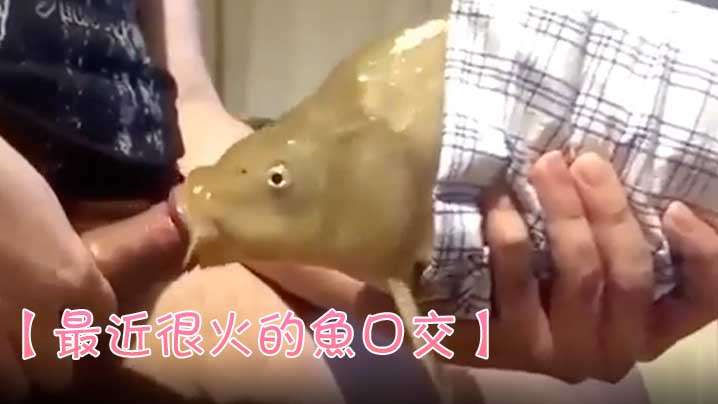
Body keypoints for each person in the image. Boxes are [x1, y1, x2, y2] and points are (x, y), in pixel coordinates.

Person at [1, 0, 716, 403]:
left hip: (140, 216)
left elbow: (183, 109)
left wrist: (447, 310)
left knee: (588, 394)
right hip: (62, 283)